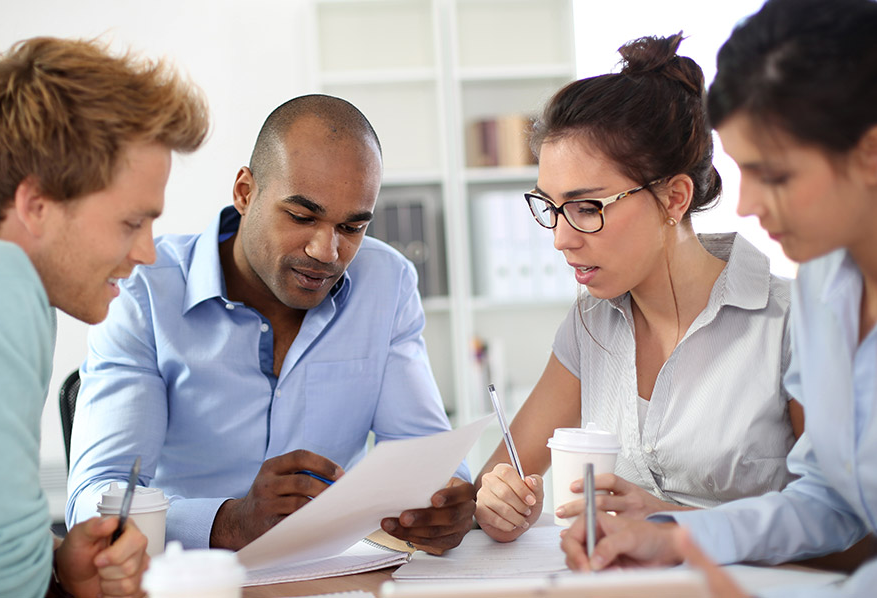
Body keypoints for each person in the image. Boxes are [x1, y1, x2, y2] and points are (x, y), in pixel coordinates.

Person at [559, 0, 877, 596]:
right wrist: (674, 536)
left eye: (775, 175)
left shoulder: (783, 313)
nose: (749, 205)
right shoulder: (824, 291)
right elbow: (831, 503)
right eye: (742, 171)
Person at [65, 94, 475, 554]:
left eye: (352, 227)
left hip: (331, 574)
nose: (327, 251)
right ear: (245, 192)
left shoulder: (387, 281)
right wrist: (230, 522)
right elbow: (94, 500)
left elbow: (424, 453)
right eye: (302, 217)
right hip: (194, 579)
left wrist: (445, 502)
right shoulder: (143, 293)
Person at [475, 33, 804, 543]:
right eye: (551, 207)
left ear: (674, 198)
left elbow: (854, 534)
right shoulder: (589, 324)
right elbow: (498, 476)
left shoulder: (792, 323)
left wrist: (667, 524)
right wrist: (499, 504)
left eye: (588, 208)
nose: (561, 239)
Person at [0, 37, 208, 598]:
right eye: (132, 222)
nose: (148, 252)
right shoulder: (0, 283)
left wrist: (59, 567)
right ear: (35, 206)